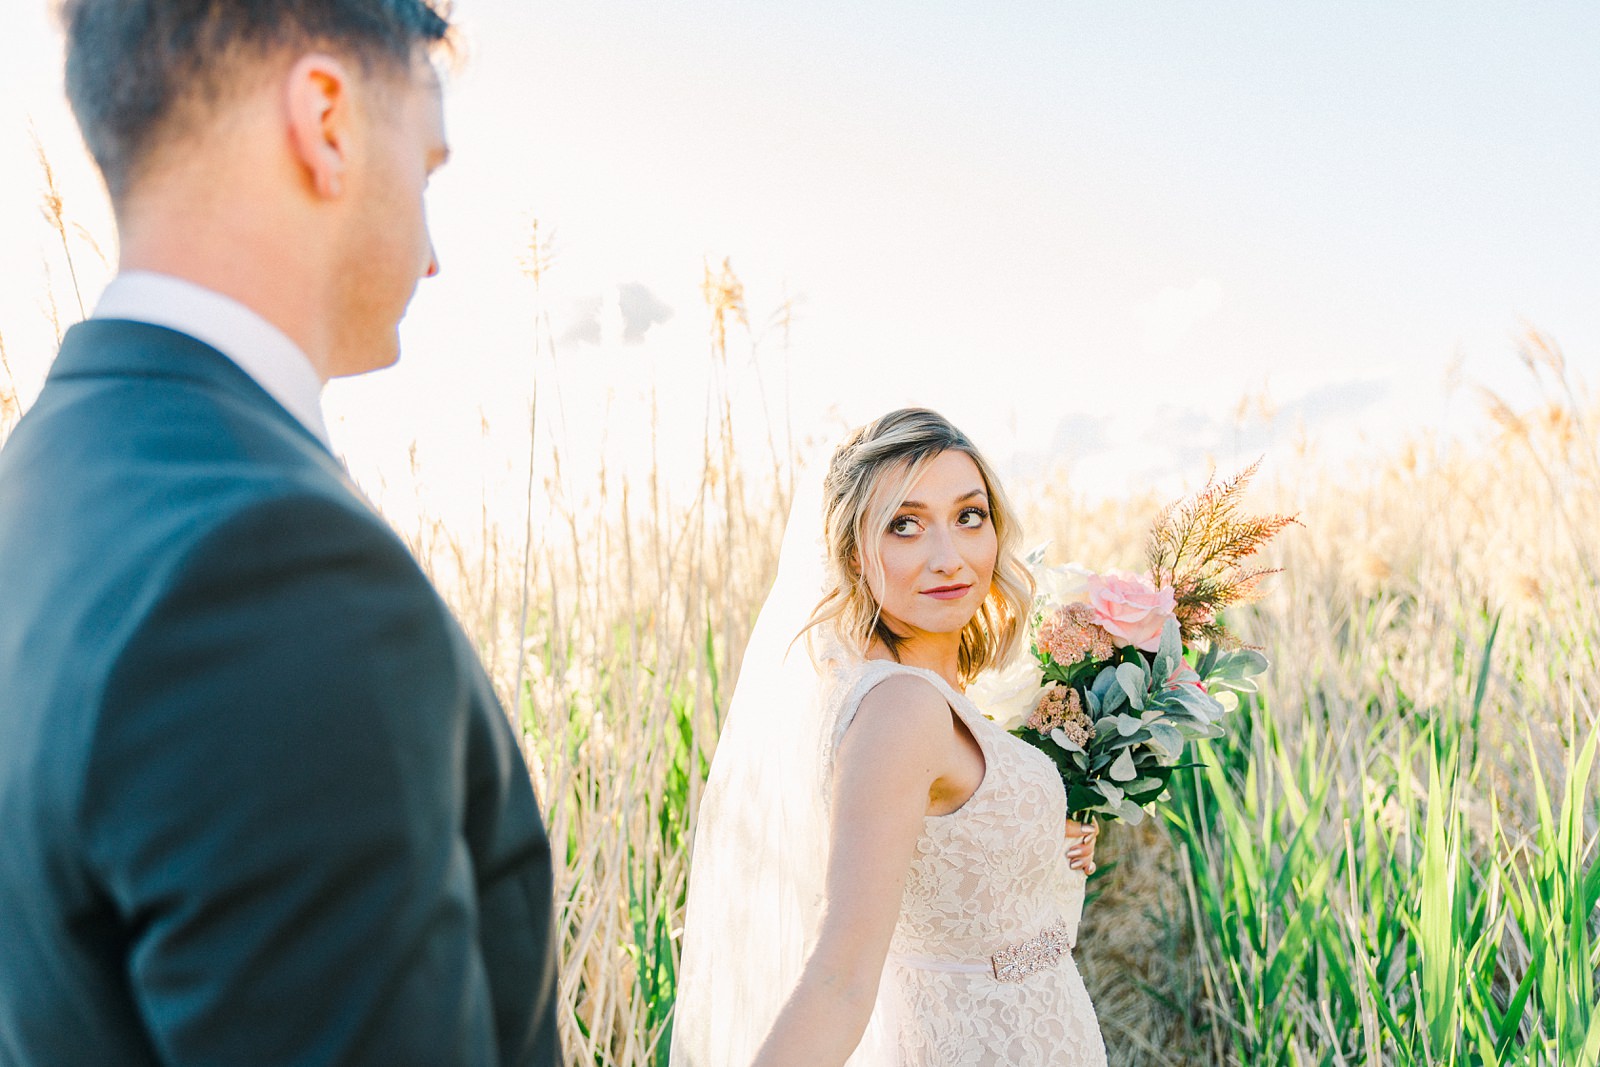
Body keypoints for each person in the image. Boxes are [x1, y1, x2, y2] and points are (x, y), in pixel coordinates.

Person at [0, 2, 560, 1064]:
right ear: (327, 120)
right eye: (428, 167)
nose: (434, 254)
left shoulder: (44, 481)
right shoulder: (272, 571)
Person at [672, 408, 1107, 1066]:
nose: (948, 555)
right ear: (852, 552)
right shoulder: (901, 708)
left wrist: (1043, 847)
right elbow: (838, 980)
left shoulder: (925, 696)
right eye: (905, 524)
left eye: (969, 515)